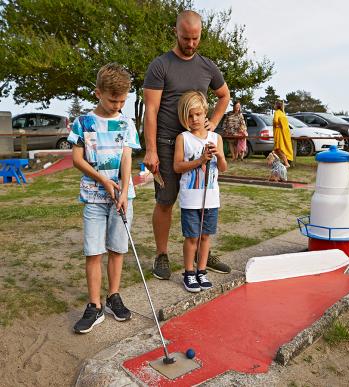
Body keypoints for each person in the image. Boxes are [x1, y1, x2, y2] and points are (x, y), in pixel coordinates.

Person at [143, 10, 231, 280]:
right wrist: (151, 149)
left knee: (202, 201)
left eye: (195, 38)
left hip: (199, 145)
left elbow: (224, 95)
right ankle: (162, 255)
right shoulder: (160, 65)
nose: (190, 43)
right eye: (185, 38)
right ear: (175, 32)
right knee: (166, 201)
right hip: (169, 144)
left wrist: (212, 124)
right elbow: (151, 111)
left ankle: (202, 252)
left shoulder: (207, 66)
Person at [68, 63, 141, 334]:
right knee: (93, 251)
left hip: (122, 198)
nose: (117, 105)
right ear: (98, 92)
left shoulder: (126, 122)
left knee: (118, 249)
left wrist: (123, 191)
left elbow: (126, 157)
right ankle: (94, 305)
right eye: (113, 99)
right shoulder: (84, 122)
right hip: (94, 197)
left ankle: (113, 297)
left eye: (122, 100)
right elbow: (77, 158)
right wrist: (102, 180)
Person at [174, 91, 227, 292]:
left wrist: (220, 155)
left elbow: (223, 168)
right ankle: (189, 272)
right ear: (184, 116)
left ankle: (201, 270)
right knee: (192, 237)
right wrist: (199, 161)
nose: (194, 119)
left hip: (211, 199)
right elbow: (177, 167)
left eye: (198, 114)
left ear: (206, 113)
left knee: (205, 236)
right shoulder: (183, 138)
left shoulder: (216, 138)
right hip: (190, 199)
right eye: (190, 115)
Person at [273, 100, 293, 168]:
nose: (274, 106)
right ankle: (276, 164)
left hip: (278, 132)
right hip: (282, 132)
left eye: (275, 105)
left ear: (277, 106)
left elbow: (276, 121)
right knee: (276, 149)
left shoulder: (276, 112)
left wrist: (277, 125)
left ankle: (286, 163)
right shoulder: (282, 113)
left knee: (278, 148)